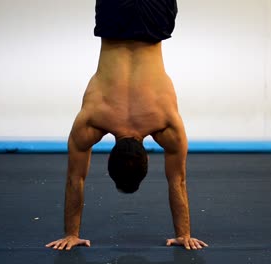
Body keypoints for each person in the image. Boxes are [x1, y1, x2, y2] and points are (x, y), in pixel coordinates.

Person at [46, 0, 208, 251]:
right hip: (114, 19)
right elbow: (74, 179)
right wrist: (71, 233)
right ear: (110, 157)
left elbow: (178, 181)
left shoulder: (166, 124)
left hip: (154, 20)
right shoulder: (93, 120)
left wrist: (184, 234)